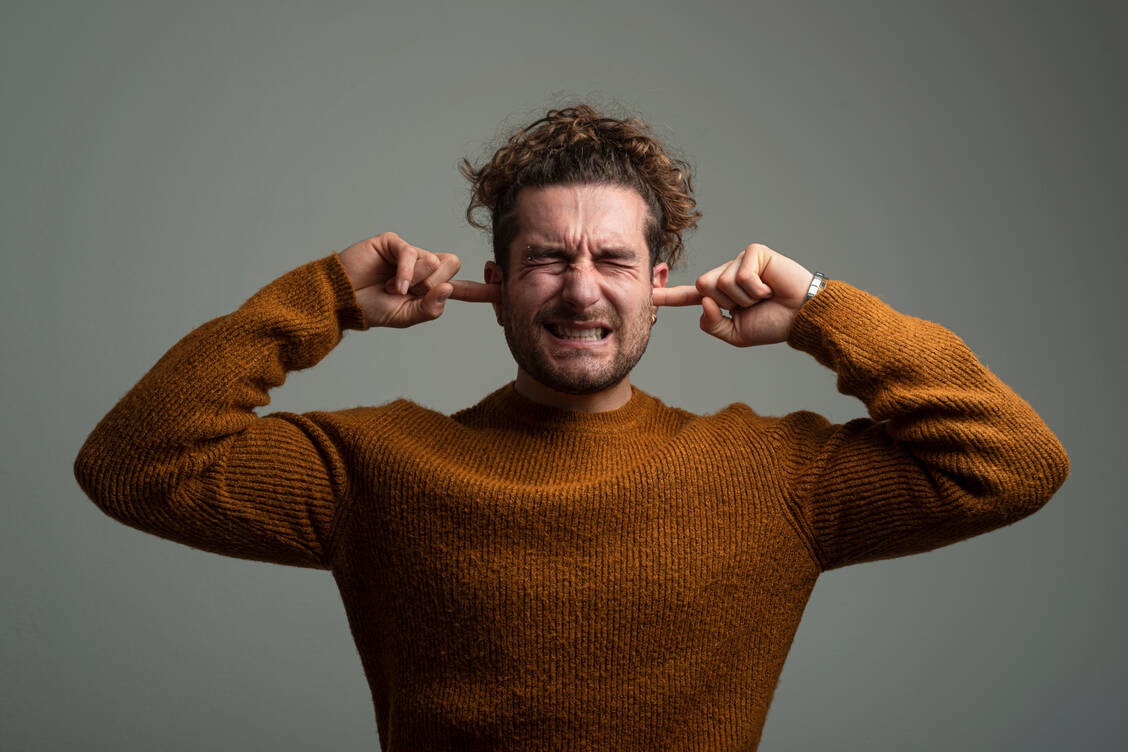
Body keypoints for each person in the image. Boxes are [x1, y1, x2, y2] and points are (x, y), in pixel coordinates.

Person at [73, 104, 1070, 751]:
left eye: (614, 259)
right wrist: (324, 293)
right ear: (497, 286)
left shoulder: (774, 475)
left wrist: (820, 310)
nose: (581, 287)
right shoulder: (377, 466)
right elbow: (132, 462)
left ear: (663, 283)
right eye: (548, 259)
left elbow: (1015, 462)